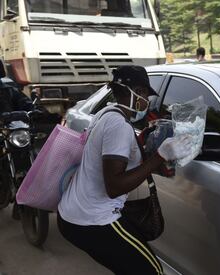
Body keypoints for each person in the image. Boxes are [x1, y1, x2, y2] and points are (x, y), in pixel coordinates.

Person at [57, 65, 192, 275]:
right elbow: (114, 186)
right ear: (136, 92)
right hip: (93, 219)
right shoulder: (118, 125)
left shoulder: (105, 113)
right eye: (146, 94)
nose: (147, 101)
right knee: (152, 270)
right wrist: (160, 156)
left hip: (73, 213)